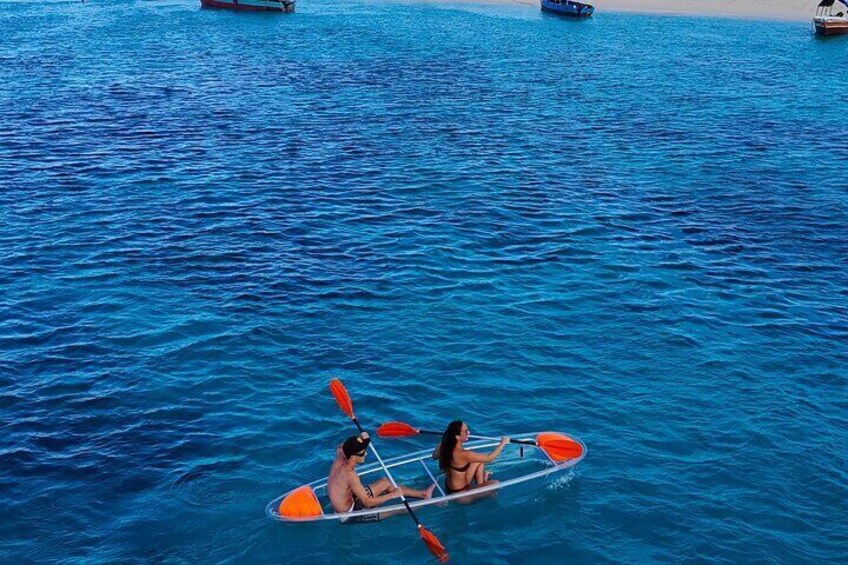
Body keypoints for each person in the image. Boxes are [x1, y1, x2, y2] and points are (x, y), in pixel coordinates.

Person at [328, 432, 435, 517]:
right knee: (397, 509)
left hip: (350, 499)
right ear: (353, 457)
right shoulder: (350, 474)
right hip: (349, 513)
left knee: (385, 482)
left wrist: (360, 439)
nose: (366, 453)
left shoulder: (341, 454)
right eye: (362, 452)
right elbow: (367, 502)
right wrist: (392, 495)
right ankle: (428, 503)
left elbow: (341, 446)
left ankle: (423, 494)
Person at [432, 420, 508, 494]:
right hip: (460, 494)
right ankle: (482, 485)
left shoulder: (446, 446)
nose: (469, 433)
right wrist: (502, 443)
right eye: (465, 431)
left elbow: (434, 456)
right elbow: (489, 458)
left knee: (478, 461)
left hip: (449, 487)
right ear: (457, 437)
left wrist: (444, 438)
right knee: (495, 484)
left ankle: (480, 484)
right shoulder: (463, 454)